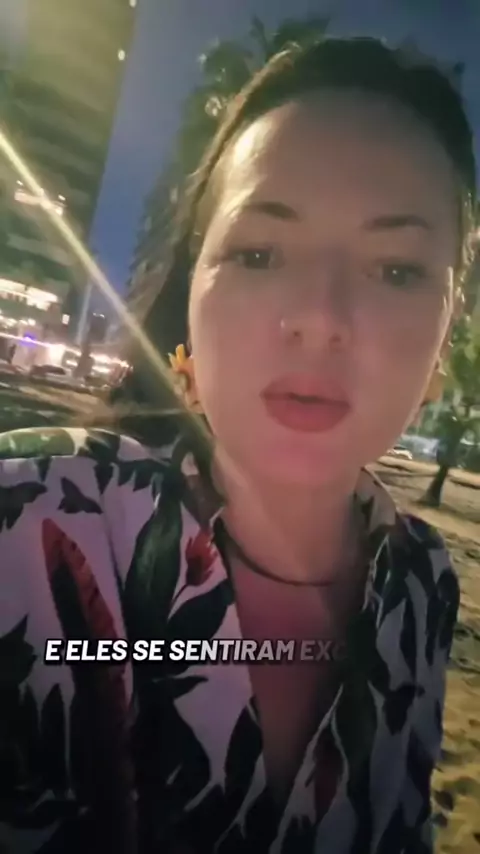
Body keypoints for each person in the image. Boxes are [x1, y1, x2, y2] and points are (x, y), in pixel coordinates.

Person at [0, 37, 472, 854]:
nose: (319, 318)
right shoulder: (30, 518)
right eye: (258, 254)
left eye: (396, 270)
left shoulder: (423, 583)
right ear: (192, 292)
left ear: (448, 328)